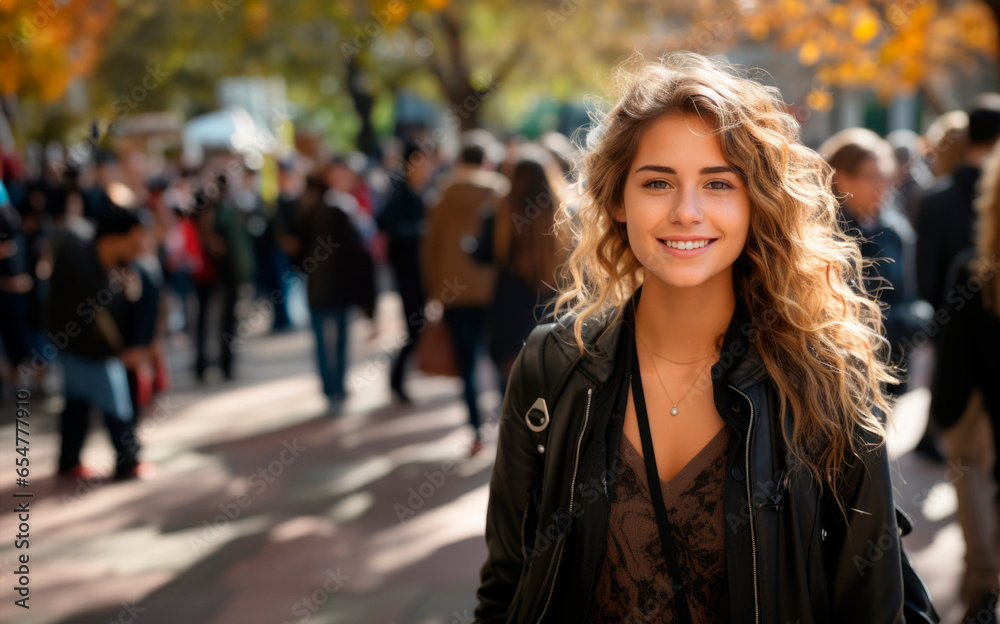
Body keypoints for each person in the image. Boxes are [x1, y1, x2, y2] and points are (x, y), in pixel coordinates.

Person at [475, 53, 936, 623]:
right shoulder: (551, 365)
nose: (686, 211)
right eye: (658, 182)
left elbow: (873, 607)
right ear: (618, 199)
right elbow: (505, 588)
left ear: (755, 202)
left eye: (718, 183)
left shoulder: (824, 378)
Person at [929, 143, 1000, 624]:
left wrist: (942, 420)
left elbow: (952, 367)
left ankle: (982, 594)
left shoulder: (977, 273)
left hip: (981, 426)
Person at [819, 128, 930, 395]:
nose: (883, 188)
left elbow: (908, 294)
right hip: (834, 377)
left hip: (888, 373)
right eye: (872, 177)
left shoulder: (895, 230)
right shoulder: (819, 235)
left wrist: (918, 315)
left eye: (886, 178)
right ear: (842, 180)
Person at [422, 135, 509, 454]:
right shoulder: (500, 191)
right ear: (486, 160)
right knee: (501, 363)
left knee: (467, 364)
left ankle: (476, 432)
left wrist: (434, 290)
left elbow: (429, 246)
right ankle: (506, 429)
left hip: (454, 292)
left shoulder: (443, 193)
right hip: (494, 291)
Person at [48, 206, 149, 480]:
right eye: (135, 239)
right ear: (116, 237)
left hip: (79, 347)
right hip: (84, 348)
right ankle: (128, 462)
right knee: (114, 402)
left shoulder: (106, 260)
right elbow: (93, 321)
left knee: (76, 402)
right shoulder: (81, 265)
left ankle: (68, 461)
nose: (139, 247)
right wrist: (120, 352)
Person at [472, 145, 569, 396]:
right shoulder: (566, 213)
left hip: (510, 317)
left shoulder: (498, 214)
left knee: (512, 399)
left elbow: (482, 255)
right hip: (557, 314)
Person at [289, 172, 375, 415]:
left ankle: (330, 388)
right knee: (340, 339)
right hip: (339, 286)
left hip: (317, 285)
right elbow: (358, 252)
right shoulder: (343, 209)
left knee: (321, 340)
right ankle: (337, 386)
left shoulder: (307, 210)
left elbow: (293, 247)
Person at [376, 143, 431, 403]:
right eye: (419, 162)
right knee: (414, 326)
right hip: (407, 273)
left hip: (418, 272)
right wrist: (424, 231)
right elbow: (393, 230)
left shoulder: (420, 193)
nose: (424, 168)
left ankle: (398, 379)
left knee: (416, 327)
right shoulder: (399, 195)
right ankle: (396, 379)